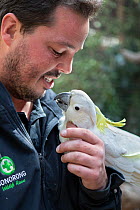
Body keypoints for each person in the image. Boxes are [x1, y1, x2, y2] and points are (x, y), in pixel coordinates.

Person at [0, 1, 124, 209]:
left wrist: (99, 189)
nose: (68, 68)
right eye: (58, 51)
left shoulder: (61, 117)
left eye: (75, 54)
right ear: (11, 30)